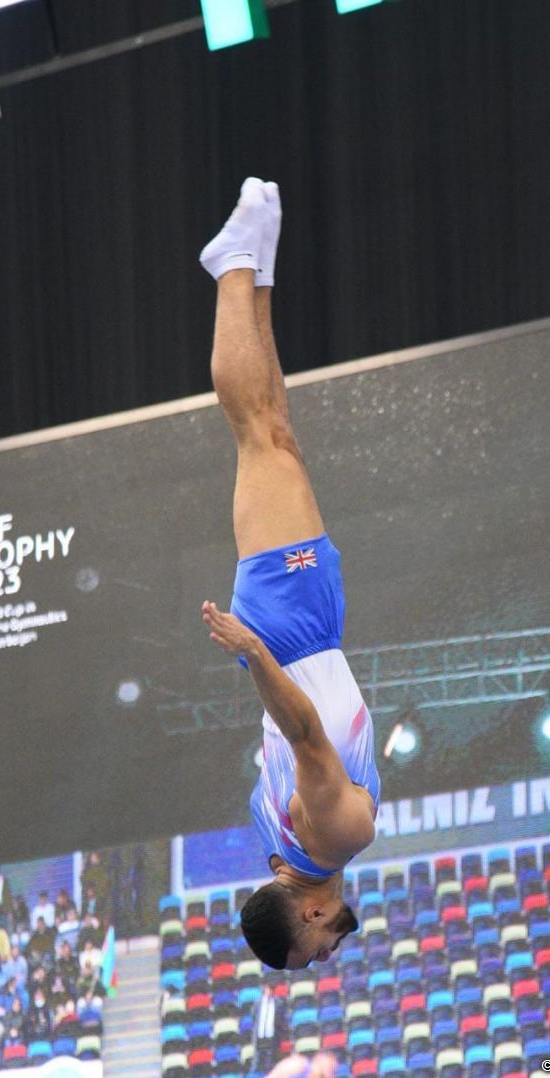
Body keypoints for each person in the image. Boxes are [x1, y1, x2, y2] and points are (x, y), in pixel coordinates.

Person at [198, 179, 380, 971]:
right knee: (278, 436)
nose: (327, 948)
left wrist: (253, 651)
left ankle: (234, 260)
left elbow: (305, 732)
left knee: (256, 438)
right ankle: (258, 269)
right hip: (311, 629)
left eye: (312, 950)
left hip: (291, 631)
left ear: (306, 914)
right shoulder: (279, 845)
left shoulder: (337, 838)